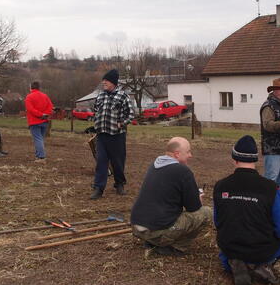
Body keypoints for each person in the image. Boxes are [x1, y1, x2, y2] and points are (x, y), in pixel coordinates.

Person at [213, 135, 280, 285]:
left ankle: (235, 262)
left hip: (230, 247)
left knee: (231, 245)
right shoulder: (269, 188)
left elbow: (218, 222)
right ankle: (262, 263)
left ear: (234, 159)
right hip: (261, 249)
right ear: (255, 160)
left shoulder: (220, 186)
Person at [130, 137, 212, 256]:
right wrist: (198, 199)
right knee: (206, 213)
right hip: (156, 230)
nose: (191, 155)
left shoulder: (155, 164)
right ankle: (176, 247)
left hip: (137, 226)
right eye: (188, 152)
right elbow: (193, 208)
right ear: (177, 154)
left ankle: (152, 241)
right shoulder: (183, 171)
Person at [89, 69, 134, 199]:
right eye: (103, 80)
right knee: (101, 161)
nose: (104, 82)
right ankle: (98, 188)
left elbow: (130, 114)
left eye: (106, 80)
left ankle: (119, 184)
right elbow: (96, 111)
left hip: (117, 135)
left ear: (113, 82)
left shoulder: (123, 96)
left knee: (117, 162)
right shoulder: (100, 95)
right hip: (102, 135)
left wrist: (121, 123)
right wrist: (95, 123)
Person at [25, 81, 54, 161]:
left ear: (31, 87)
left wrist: (40, 115)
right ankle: (38, 155)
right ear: (39, 87)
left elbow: (30, 109)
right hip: (44, 121)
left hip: (34, 121)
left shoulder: (29, 97)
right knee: (40, 139)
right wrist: (45, 115)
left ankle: (41, 156)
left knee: (38, 139)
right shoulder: (45, 96)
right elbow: (50, 107)